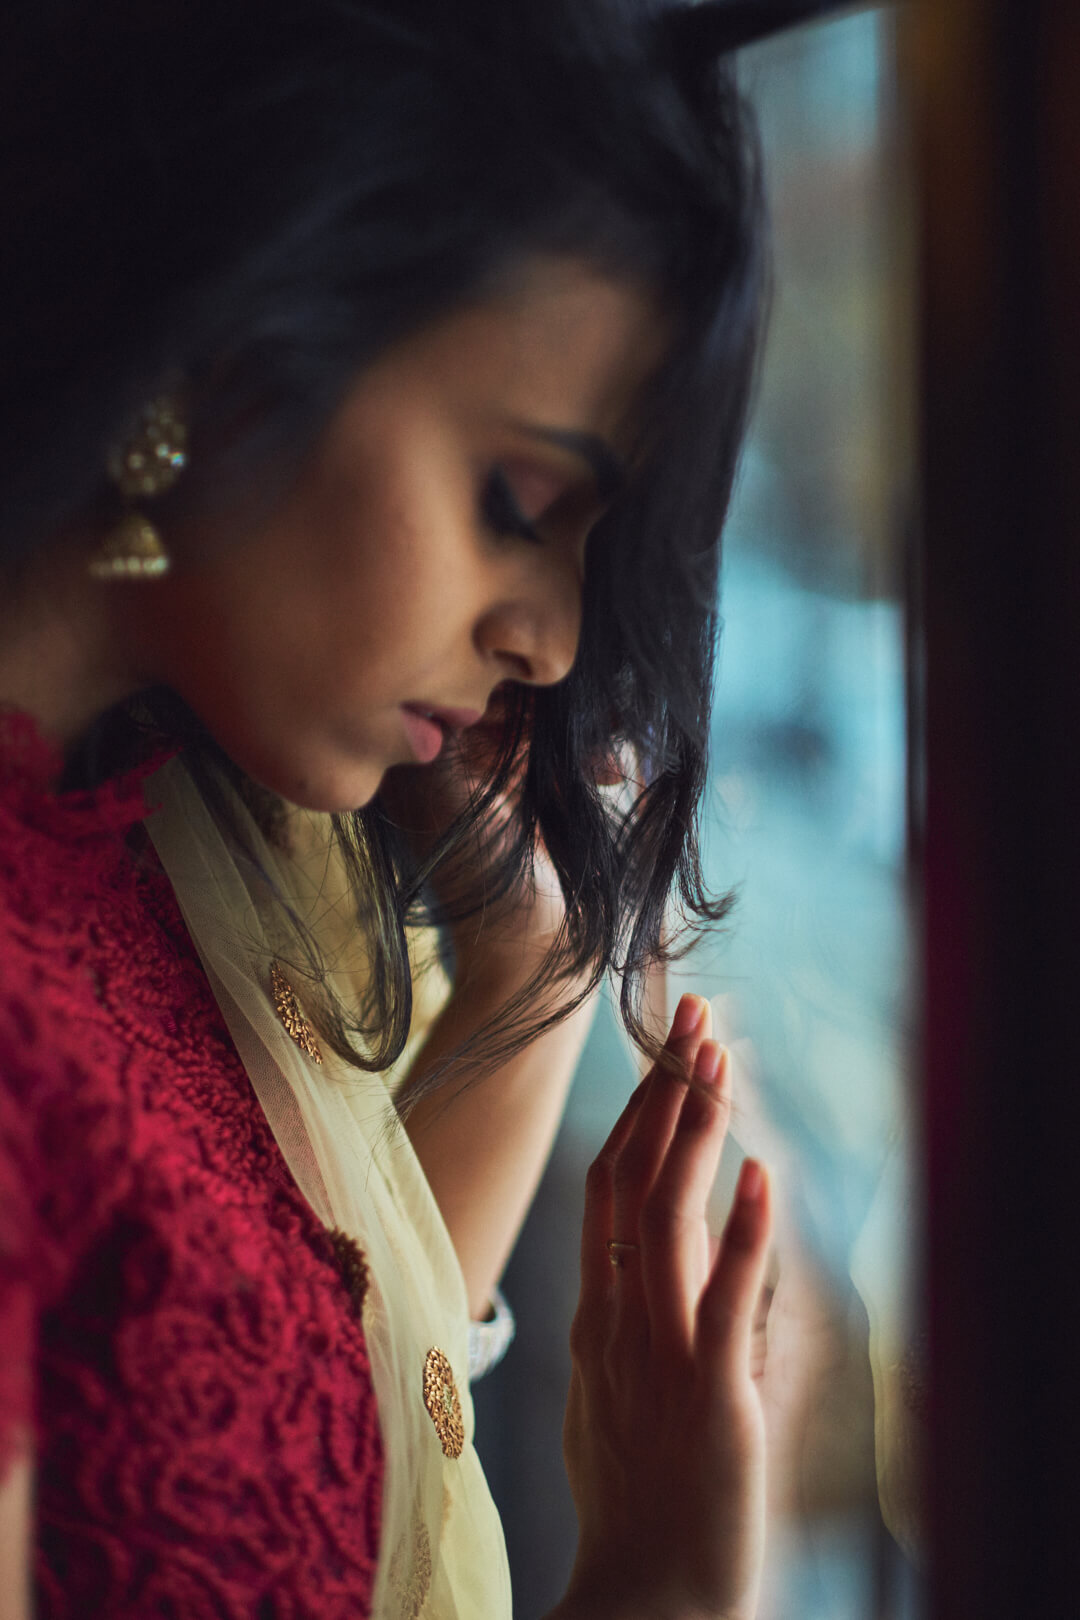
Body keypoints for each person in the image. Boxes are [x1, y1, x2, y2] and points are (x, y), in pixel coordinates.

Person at [0, 0, 847, 1614]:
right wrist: (661, 1579)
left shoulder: (166, 842)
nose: (555, 642)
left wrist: (528, 963)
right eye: (516, 504)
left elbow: (302, 1453)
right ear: (228, 318)